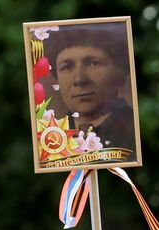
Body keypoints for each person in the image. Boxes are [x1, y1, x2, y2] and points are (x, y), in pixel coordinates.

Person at [45, 27, 136, 156]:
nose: (79, 79)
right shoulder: (51, 139)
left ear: (120, 75)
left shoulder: (136, 132)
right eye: (66, 67)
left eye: (93, 63)